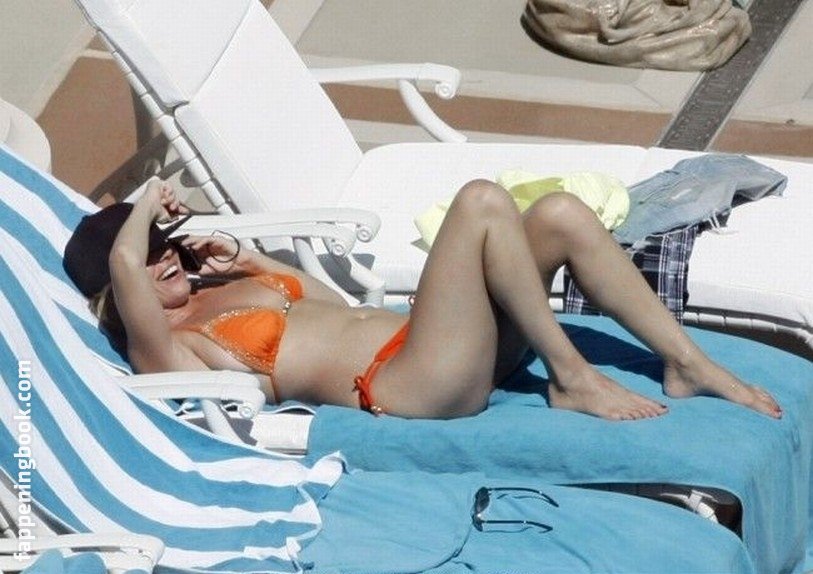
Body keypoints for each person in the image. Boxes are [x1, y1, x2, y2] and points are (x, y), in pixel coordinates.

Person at [64, 178, 782, 421]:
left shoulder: (224, 284)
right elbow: (123, 260)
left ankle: (686, 362)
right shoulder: (166, 350)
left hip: (441, 342)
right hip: (410, 383)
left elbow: (334, 306)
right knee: (480, 202)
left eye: (166, 245)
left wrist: (257, 262)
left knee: (559, 213)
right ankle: (571, 377)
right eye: (149, 258)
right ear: (116, 296)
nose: (163, 258)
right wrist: (143, 206)